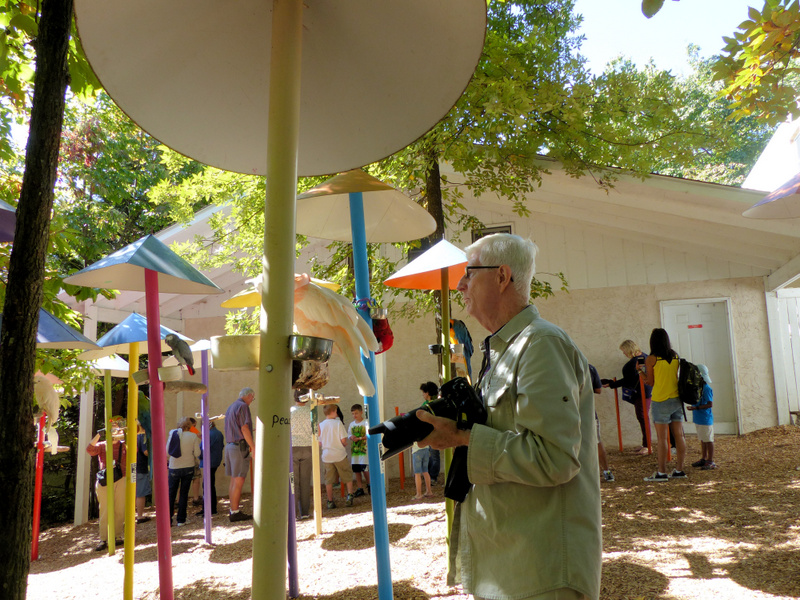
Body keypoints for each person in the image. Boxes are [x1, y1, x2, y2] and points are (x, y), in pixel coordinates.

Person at [417, 233, 601, 600]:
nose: (460, 284)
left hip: (542, 573)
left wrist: (461, 437)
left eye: (470, 273)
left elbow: (555, 458)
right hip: (511, 566)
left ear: (502, 277)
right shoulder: (507, 349)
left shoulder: (541, 344)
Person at [642, 328, 687, 482]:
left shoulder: (651, 359)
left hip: (660, 400)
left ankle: (662, 472)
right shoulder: (675, 356)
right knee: (679, 435)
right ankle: (679, 469)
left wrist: (640, 372)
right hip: (676, 398)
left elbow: (650, 382)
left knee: (662, 438)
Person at [601, 340, 653, 454]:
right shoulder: (643, 357)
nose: (624, 353)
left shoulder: (639, 360)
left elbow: (631, 379)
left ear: (629, 349)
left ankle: (647, 446)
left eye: (624, 350)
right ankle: (646, 444)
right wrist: (612, 384)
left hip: (642, 393)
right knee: (642, 417)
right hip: (642, 392)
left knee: (643, 418)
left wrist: (612, 384)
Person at [87, 426, 127, 551]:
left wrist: (125, 434)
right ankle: (103, 539)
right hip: (105, 481)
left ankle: (117, 536)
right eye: (112, 430)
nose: (114, 433)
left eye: (117, 430)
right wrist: (100, 434)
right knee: (105, 510)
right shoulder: (102, 445)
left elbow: (134, 450)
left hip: (121, 478)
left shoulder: (124, 445)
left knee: (120, 508)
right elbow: (89, 449)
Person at [224, 387, 256, 522]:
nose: (252, 401)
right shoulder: (243, 406)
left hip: (230, 446)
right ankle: (235, 512)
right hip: (239, 447)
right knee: (239, 480)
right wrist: (253, 447)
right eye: (253, 398)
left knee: (234, 480)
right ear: (249, 396)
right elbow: (244, 428)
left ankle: (233, 510)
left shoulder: (231, 407)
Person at [318, 403, 354, 509]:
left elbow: (319, 442)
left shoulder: (321, 425)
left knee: (328, 479)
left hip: (327, 456)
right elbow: (343, 439)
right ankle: (350, 495)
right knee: (347, 475)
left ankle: (330, 501)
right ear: (333, 412)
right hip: (339, 454)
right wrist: (343, 443)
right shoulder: (338, 423)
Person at [167, 417, 201, 526]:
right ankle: (181, 520)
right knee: (184, 494)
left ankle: (168, 520)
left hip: (174, 467)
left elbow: (167, 451)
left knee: (171, 493)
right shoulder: (192, 436)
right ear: (190, 426)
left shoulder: (172, 433)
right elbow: (197, 453)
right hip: (188, 467)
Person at [291, 388, 314, 520]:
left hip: (293, 447)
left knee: (293, 482)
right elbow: (317, 430)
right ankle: (305, 512)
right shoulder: (311, 411)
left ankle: (293, 513)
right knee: (305, 481)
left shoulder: (290, 412)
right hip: (307, 447)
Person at [689, 364, 716, 470]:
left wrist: (696, 408)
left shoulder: (706, 388)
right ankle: (704, 458)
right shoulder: (698, 388)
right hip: (699, 418)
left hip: (705, 418)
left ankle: (710, 460)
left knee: (708, 440)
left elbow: (710, 404)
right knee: (703, 439)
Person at [590, 364, 614, 483]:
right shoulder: (589, 368)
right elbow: (598, 390)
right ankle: (606, 471)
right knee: (597, 441)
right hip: (588, 412)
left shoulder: (563, 367)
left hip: (569, 412)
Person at [196, 420, 224, 516]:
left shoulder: (208, 434)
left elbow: (202, 450)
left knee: (207, 486)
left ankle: (208, 509)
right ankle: (211, 508)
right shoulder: (218, 433)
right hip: (215, 461)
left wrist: (199, 456)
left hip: (209, 461)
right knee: (210, 484)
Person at [420, 381, 441, 484]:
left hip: (432, 433)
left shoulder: (429, 405)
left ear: (427, 393)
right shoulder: (436, 403)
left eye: (423, 393)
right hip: (430, 433)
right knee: (432, 455)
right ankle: (430, 476)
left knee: (434, 455)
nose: (423, 395)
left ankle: (433, 477)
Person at [348, 403, 370, 497]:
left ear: (361, 412)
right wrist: (351, 437)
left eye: (356, 413)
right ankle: (360, 488)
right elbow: (349, 435)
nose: (354, 415)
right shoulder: (351, 424)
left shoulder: (365, 423)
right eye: (353, 414)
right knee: (357, 470)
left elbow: (368, 435)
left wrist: (360, 438)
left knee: (365, 469)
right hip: (355, 452)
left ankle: (369, 485)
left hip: (364, 451)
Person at [135, 422, 151, 523]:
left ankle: (132, 516)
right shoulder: (143, 436)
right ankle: (140, 516)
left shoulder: (132, 436)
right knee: (140, 494)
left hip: (133, 468)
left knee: (134, 493)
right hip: (141, 467)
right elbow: (146, 452)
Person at [188, 417, 203, 506]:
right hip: (191, 458)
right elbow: (201, 436)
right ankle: (196, 498)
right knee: (196, 478)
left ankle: (178, 500)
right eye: (194, 425)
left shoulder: (178, 433)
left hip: (178, 461)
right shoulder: (192, 431)